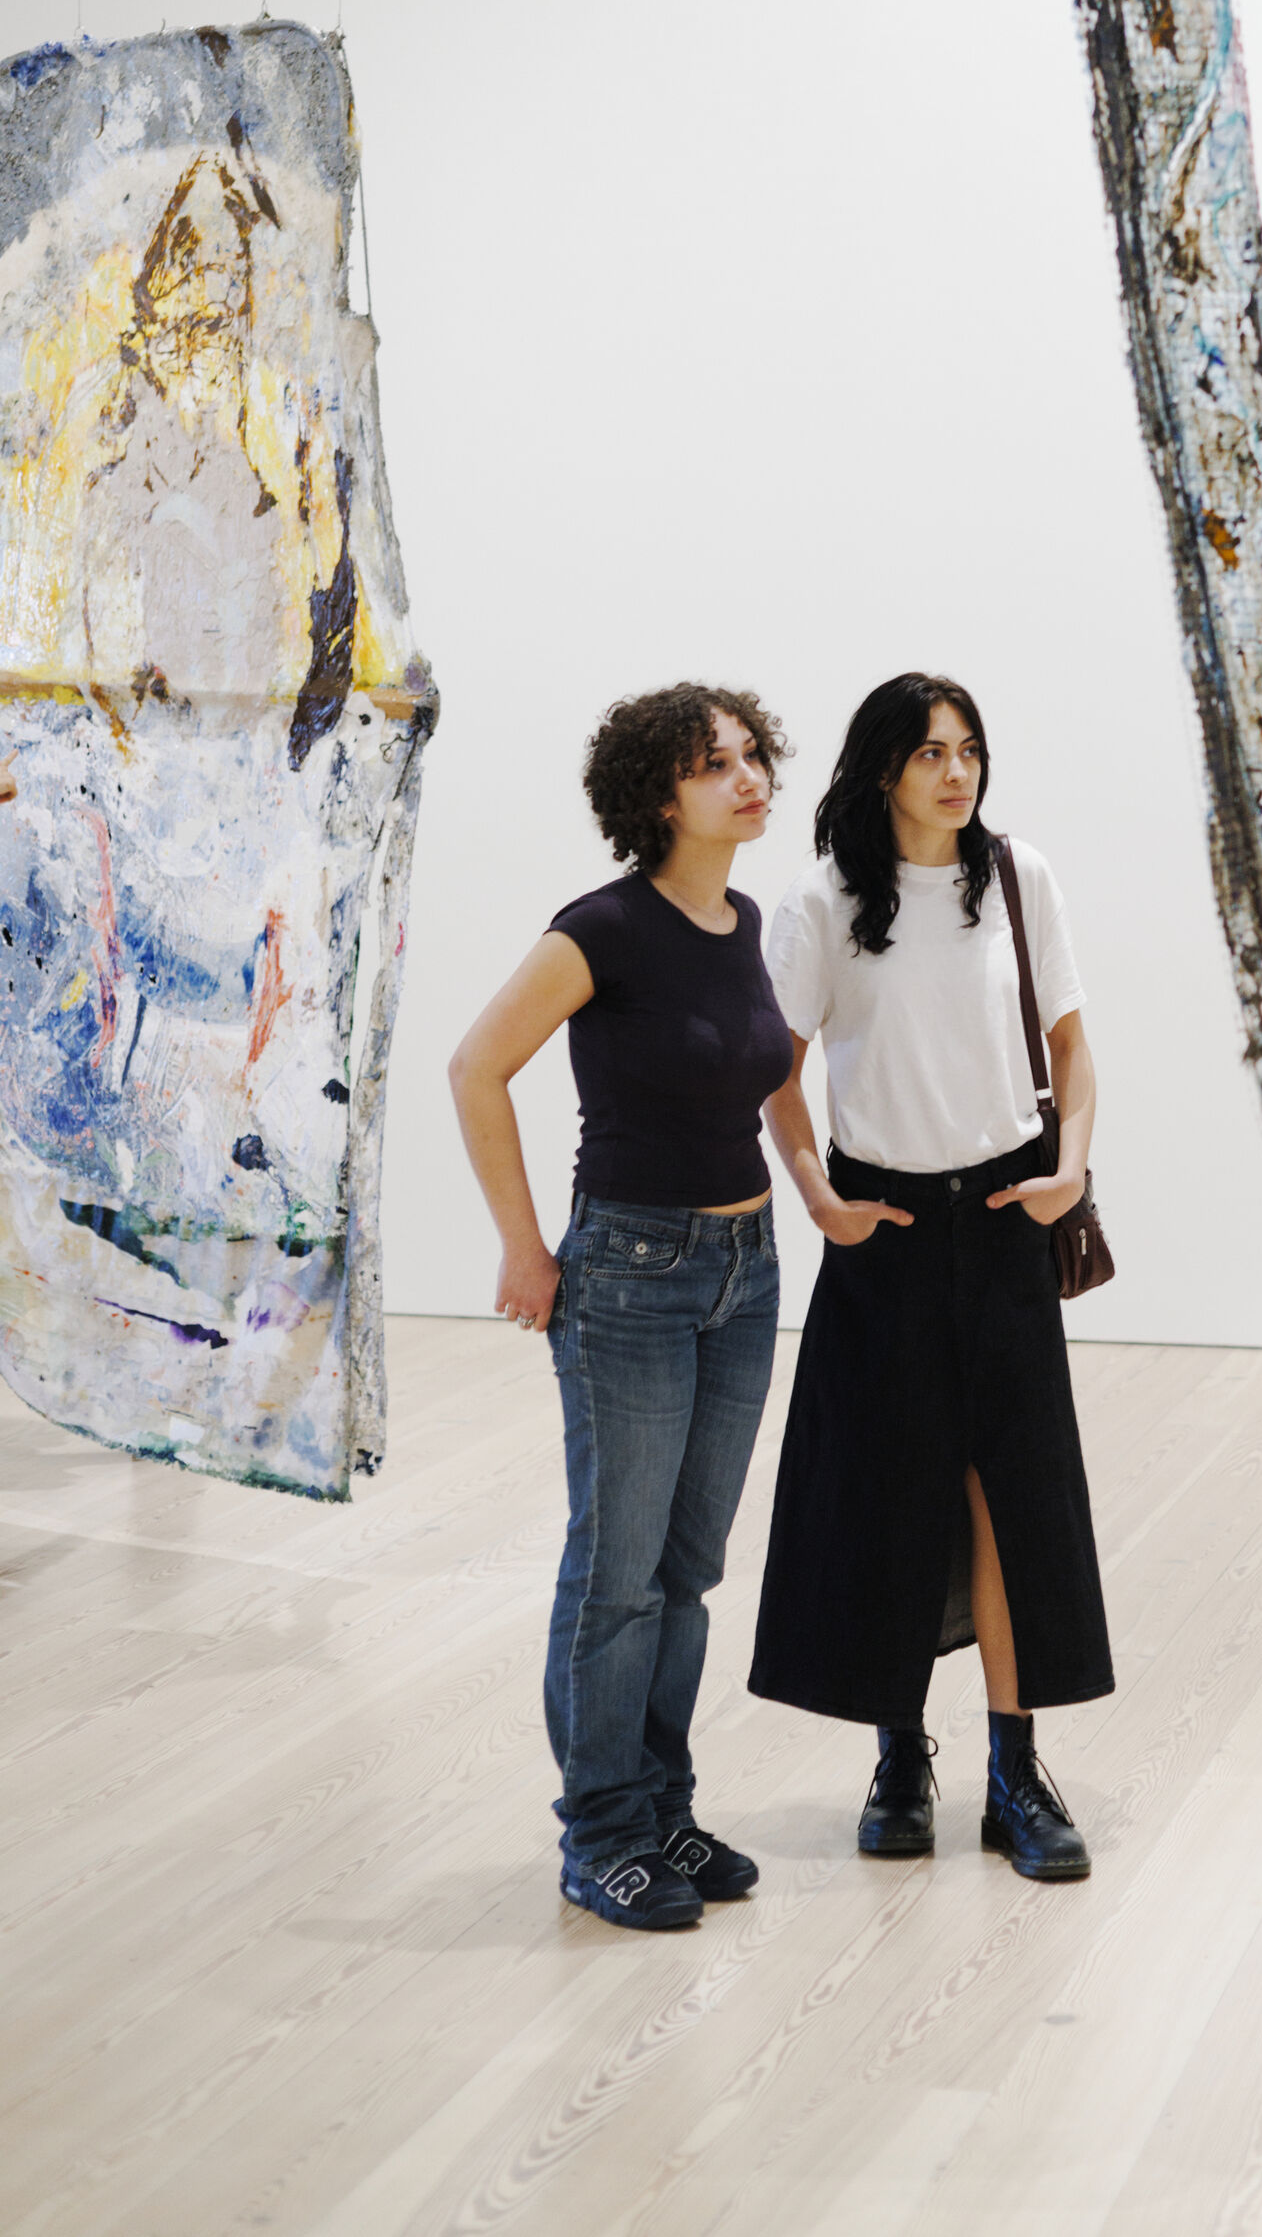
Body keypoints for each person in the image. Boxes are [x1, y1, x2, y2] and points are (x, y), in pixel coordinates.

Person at [749, 671, 1113, 1880]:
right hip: (886, 1227)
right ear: (882, 769)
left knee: (1010, 1496)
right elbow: (776, 1070)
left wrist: (1070, 1166)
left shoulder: (1018, 876)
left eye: (968, 749)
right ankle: (899, 1752)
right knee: (889, 1492)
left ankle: (1015, 1770)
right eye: (929, 752)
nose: (955, 772)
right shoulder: (826, 900)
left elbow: (1068, 1039)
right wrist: (818, 1197)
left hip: (1008, 1209)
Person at [447, 683, 791, 1931]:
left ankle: (661, 1809)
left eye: (753, 754)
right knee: (618, 1571)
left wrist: (809, 1183)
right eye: (716, 764)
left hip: (747, 1273)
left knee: (686, 1567)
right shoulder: (599, 928)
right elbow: (475, 1065)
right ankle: (600, 1834)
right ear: (658, 793)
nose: (748, 777)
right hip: (630, 1278)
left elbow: (770, 1070)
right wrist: (524, 1246)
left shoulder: (744, 916)